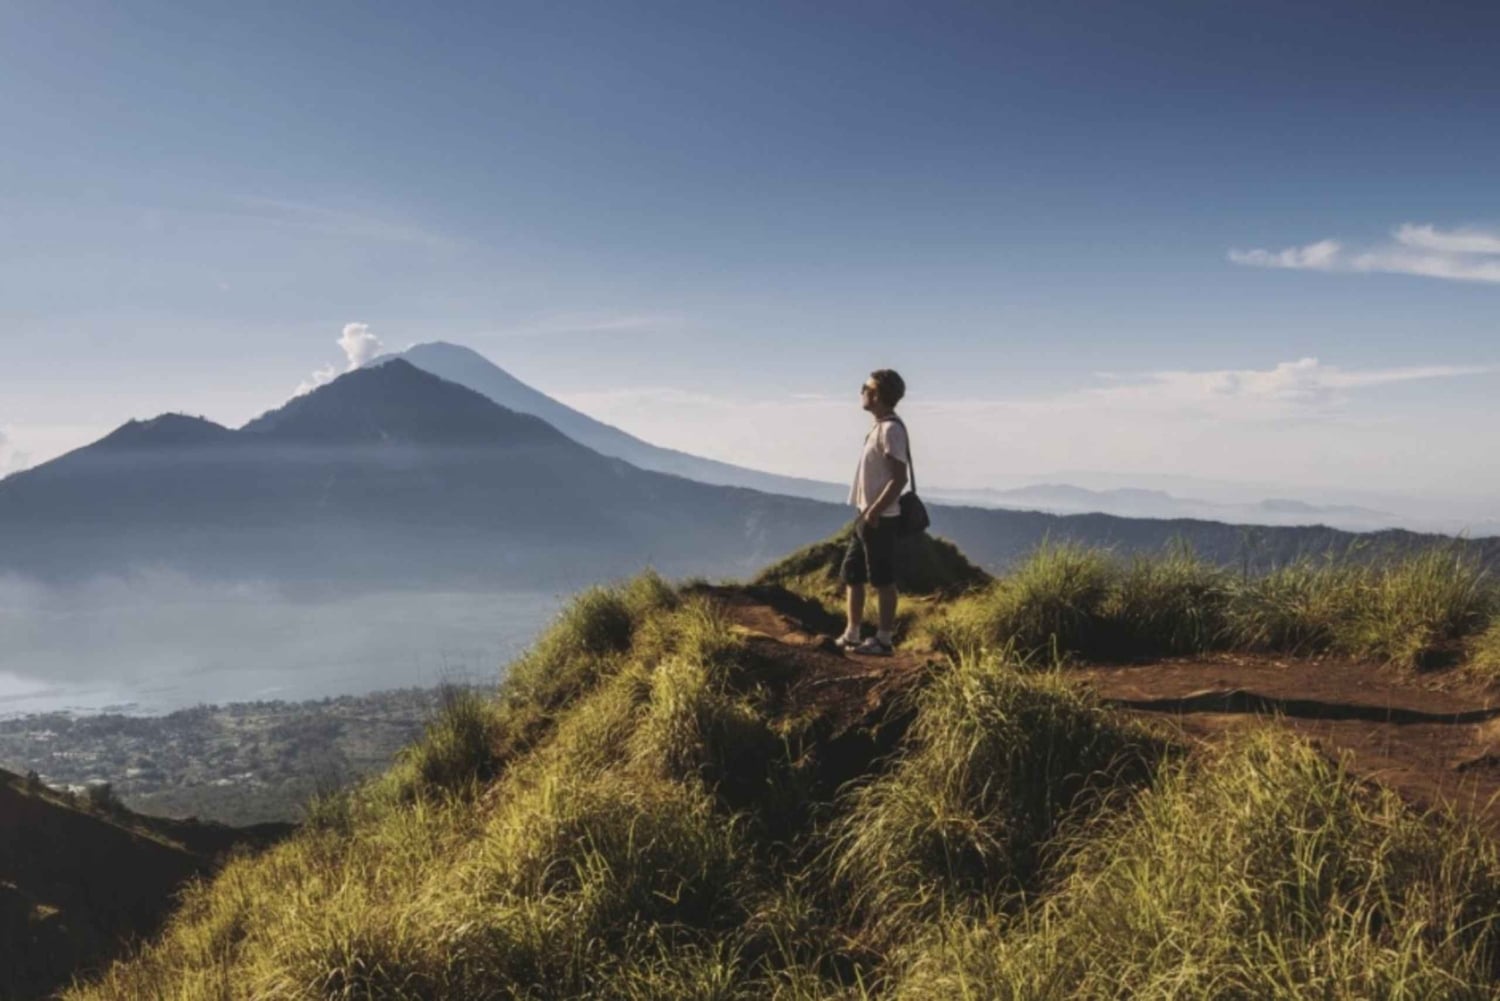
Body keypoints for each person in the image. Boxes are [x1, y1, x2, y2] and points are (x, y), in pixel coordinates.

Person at [837, 369, 909, 656]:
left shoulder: (891, 430)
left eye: (864, 387)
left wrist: (875, 512)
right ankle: (852, 634)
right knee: (853, 574)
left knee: (882, 579)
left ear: (876, 395)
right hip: (867, 515)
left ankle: (884, 640)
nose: (861, 392)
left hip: (880, 518)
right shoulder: (879, 427)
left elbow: (899, 478)